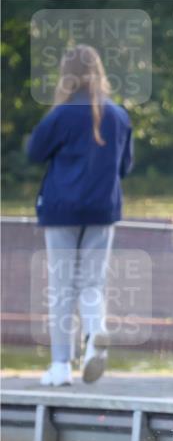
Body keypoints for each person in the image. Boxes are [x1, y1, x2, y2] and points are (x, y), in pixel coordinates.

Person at [27, 44, 133, 386]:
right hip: (102, 210)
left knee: (62, 286)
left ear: (67, 75)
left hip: (61, 209)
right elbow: (125, 167)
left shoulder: (61, 115)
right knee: (92, 282)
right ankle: (95, 336)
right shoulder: (117, 115)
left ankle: (60, 366)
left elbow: (34, 152)